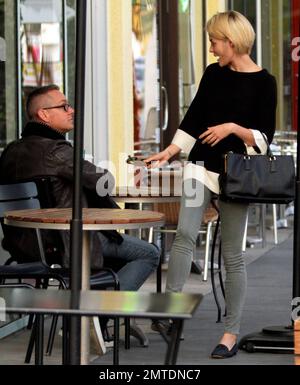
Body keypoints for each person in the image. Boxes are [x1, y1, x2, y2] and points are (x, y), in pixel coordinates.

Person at [146, 11, 277, 359]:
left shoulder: (266, 82)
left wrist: (233, 128)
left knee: (232, 255)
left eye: (214, 41)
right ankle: (171, 313)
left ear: (231, 42)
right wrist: (170, 151)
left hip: (239, 173)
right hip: (199, 166)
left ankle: (230, 332)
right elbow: (194, 118)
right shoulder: (212, 74)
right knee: (185, 234)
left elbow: (266, 137)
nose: (211, 48)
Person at [0, 84, 160, 292]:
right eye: (64, 106)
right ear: (44, 115)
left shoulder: (11, 151)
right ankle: (104, 311)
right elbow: (105, 181)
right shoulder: (55, 150)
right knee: (149, 253)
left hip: (22, 244)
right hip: (67, 240)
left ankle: (98, 310)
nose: (71, 110)